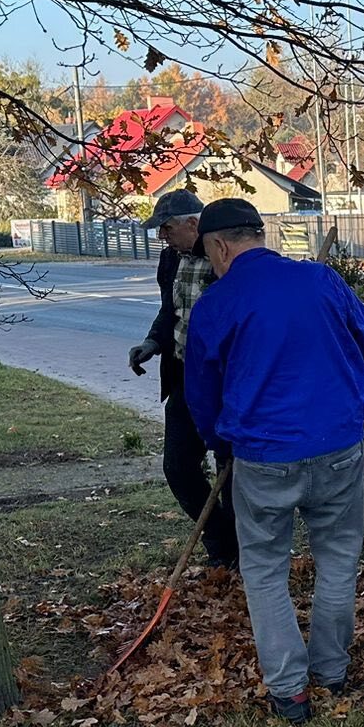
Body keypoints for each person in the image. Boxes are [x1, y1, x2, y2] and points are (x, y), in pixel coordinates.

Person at [183, 197, 364, 723]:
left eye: (209, 255)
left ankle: (290, 690)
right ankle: (331, 671)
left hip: (263, 458)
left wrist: (218, 441)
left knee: (265, 570)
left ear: (220, 246)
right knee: (337, 560)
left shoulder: (216, 304)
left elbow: (200, 393)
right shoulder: (321, 281)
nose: (212, 265)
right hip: (337, 448)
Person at [127, 188, 238, 567]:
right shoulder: (170, 259)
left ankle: (238, 554)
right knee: (178, 467)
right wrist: (152, 342)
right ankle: (221, 540)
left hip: (223, 382)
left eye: (167, 228)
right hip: (184, 379)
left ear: (193, 223)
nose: (162, 236)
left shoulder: (225, 255)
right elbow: (170, 311)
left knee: (230, 471)